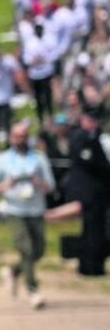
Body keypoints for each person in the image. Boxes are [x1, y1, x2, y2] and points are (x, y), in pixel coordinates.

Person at [0, 122, 54, 308]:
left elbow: (51, 186)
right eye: (16, 136)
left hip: (36, 209)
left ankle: (13, 272)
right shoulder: (2, 160)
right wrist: (6, 185)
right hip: (14, 209)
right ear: (11, 138)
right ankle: (33, 290)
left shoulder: (39, 158)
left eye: (23, 136)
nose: (20, 140)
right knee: (26, 249)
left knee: (39, 250)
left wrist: (37, 181)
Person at [67, 110, 110, 276]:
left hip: (98, 193)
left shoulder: (94, 137)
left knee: (96, 228)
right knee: (91, 229)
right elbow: (91, 162)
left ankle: (93, 264)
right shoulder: (81, 138)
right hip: (91, 193)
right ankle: (89, 265)